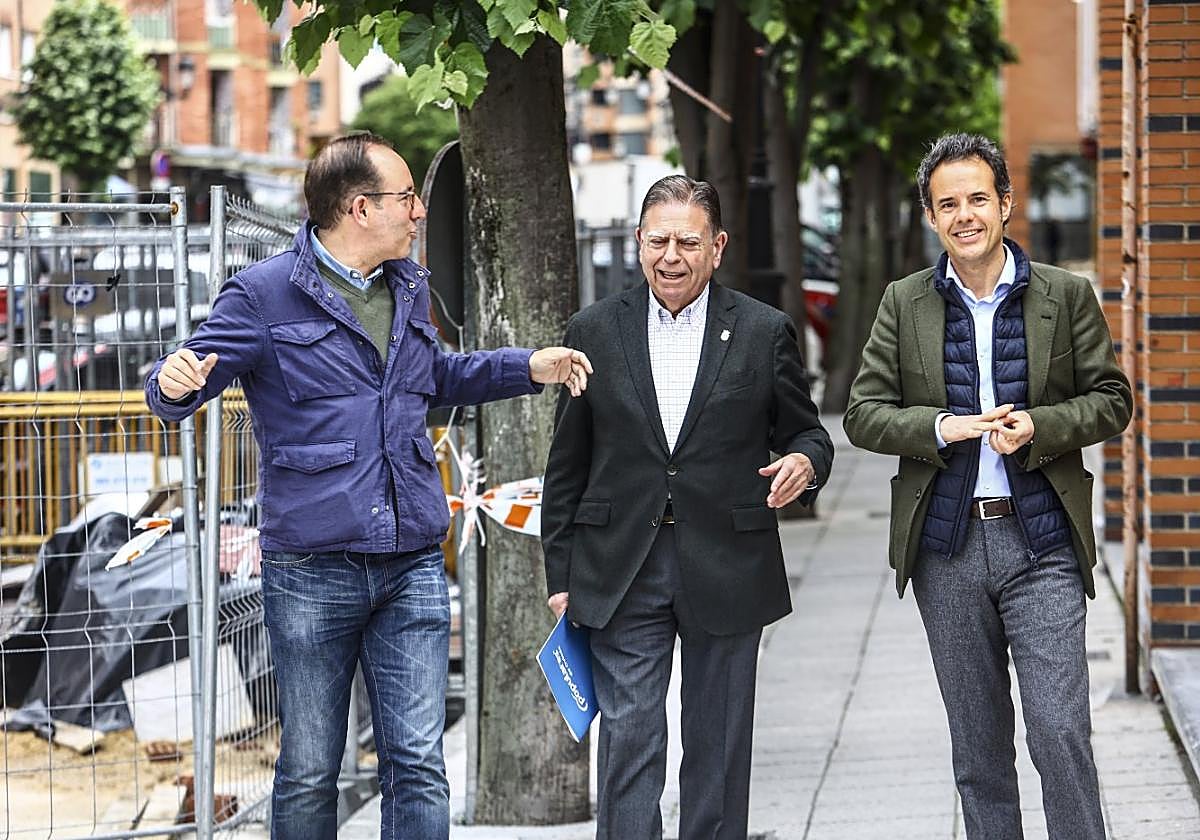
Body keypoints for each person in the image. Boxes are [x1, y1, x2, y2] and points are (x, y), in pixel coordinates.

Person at [144, 132, 592, 840]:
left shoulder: (408, 287)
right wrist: (169, 384)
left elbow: (436, 377)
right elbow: (187, 376)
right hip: (311, 568)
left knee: (416, 761)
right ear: (359, 207)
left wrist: (526, 366)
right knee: (312, 766)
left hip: (411, 555)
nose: (418, 212)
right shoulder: (262, 296)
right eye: (407, 197)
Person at [843, 133, 1132, 840]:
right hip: (948, 549)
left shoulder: (1066, 295)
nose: (965, 214)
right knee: (978, 754)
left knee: (1060, 732)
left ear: (1006, 201)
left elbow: (1112, 398)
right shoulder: (903, 302)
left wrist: (1040, 425)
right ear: (931, 216)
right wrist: (943, 427)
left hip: (1041, 543)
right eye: (949, 203)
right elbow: (862, 412)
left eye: (978, 197)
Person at [541, 174, 833, 840]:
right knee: (629, 740)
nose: (670, 257)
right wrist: (560, 576)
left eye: (687, 242)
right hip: (621, 566)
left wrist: (805, 462)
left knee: (719, 743)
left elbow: (806, 432)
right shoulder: (593, 330)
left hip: (729, 561)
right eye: (657, 241)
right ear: (640, 242)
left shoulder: (763, 332)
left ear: (718, 246)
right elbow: (568, 465)